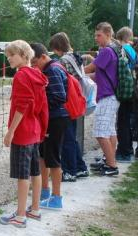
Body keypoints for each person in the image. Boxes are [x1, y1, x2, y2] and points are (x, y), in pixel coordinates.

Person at [0, 40, 48, 228]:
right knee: (35, 171)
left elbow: (23, 105)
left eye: (12, 55)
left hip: (23, 132)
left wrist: (10, 132)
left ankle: (20, 216)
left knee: (22, 175)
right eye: (8, 55)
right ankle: (34, 209)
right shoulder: (37, 74)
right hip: (34, 130)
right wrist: (42, 128)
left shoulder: (21, 76)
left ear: (24, 55)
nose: (9, 58)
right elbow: (42, 106)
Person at [31, 43, 70, 210]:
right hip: (50, 119)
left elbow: (59, 96)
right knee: (43, 155)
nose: (34, 67)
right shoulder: (52, 68)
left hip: (56, 119)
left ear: (42, 57)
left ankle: (57, 198)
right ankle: (45, 191)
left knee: (53, 159)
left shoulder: (52, 70)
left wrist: (38, 102)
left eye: (34, 63)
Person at [49, 32, 89, 182]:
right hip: (77, 100)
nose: (53, 52)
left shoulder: (63, 61)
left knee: (67, 139)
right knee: (72, 137)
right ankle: (80, 168)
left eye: (54, 48)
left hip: (67, 103)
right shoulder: (76, 57)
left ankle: (70, 171)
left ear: (58, 47)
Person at [84, 22, 120, 176]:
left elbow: (90, 68)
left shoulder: (106, 51)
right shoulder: (113, 50)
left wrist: (72, 71)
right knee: (110, 131)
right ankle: (110, 161)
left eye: (99, 35)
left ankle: (112, 166)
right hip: (112, 96)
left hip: (106, 97)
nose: (96, 38)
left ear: (108, 34)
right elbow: (98, 74)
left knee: (100, 133)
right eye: (95, 35)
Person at [115, 27, 137, 163]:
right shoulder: (132, 50)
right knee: (127, 120)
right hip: (132, 88)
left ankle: (124, 152)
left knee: (122, 121)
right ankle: (128, 149)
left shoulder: (123, 50)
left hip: (125, 90)